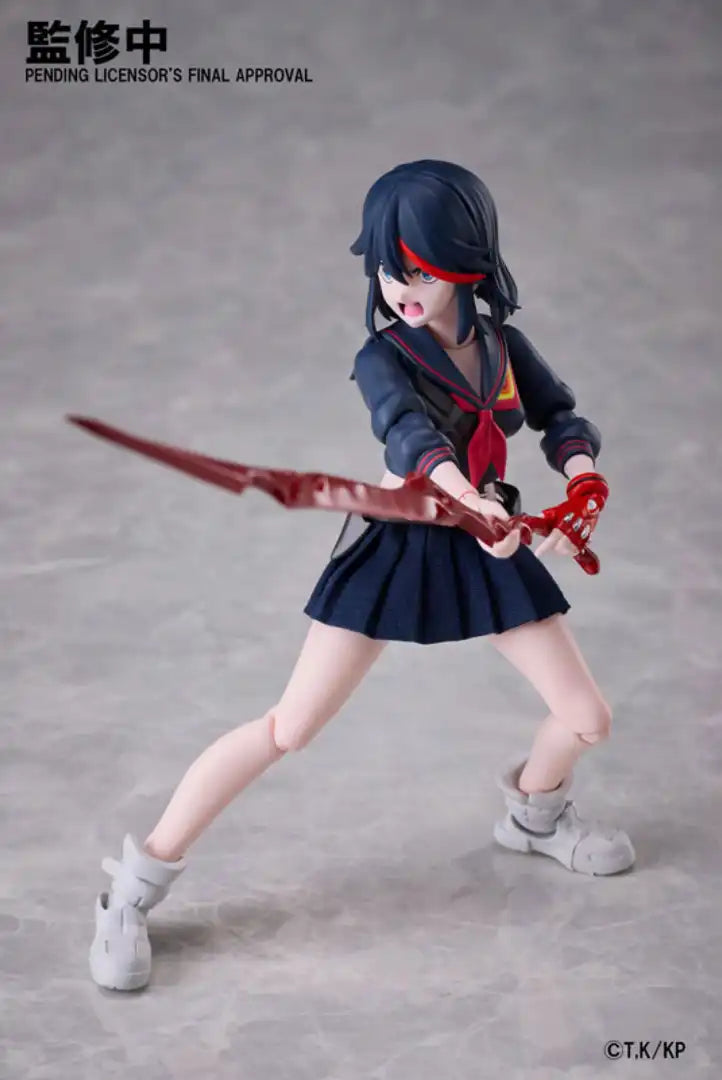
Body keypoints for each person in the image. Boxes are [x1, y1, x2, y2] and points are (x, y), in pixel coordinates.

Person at [90, 159, 634, 992]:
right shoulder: (383, 356)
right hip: (402, 543)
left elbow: (560, 417)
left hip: (486, 544)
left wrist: (584, 482)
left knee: (587, 718)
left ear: (467, 263)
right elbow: (411, 438)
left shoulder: (502, 347)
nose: (402, 287)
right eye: (388, 269)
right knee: (289, 728)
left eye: (421, 269)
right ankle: (130, 891)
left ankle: (536, 813)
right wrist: (470, 503)